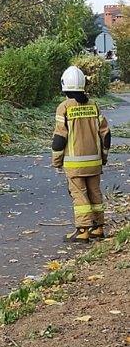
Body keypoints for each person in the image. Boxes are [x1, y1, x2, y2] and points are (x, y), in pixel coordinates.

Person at [52, 66, 111, 244]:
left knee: (80, 196)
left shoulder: (64, 108)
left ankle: (83, 230)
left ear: (64, 85)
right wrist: (104, 157)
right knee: (95, 193)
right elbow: (106, 135)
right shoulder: (94, 106)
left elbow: (59, 138)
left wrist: (56, 161)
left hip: (74, 165)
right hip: (95, 162)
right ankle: (98, 228)